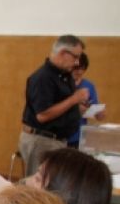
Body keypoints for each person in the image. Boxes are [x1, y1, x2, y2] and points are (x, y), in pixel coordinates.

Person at [19, 34, 89, 176]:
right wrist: (73, 100)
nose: (77, 63)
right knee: (38, 187)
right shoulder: (43, 78)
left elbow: (63, 105)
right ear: (63, 53)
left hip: (57, 141)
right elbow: (43, 115)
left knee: (50, 185)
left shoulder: (65, 75)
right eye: (75, 57)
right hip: (42, 141)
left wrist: (77, 109)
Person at [68, 52, 105, 148]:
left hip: (79, 136)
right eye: (76, 68)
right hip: (61, 136)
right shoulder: (61, 84)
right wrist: (76, 109)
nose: (79, 72)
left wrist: (99, 114)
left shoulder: (89, 85)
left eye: (82, 69)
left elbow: (94, 107)